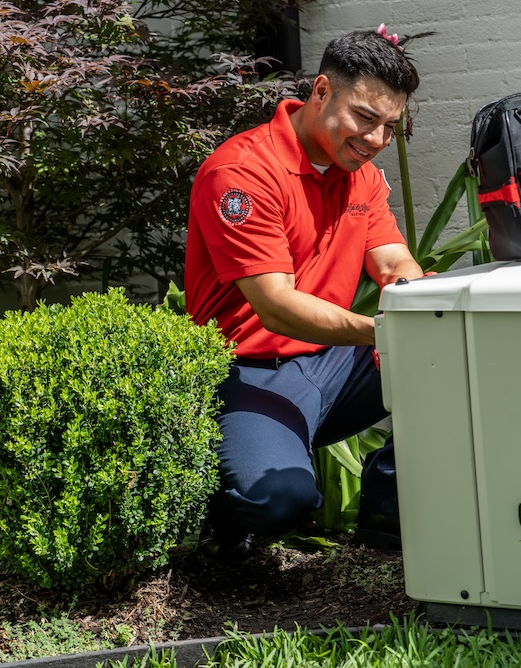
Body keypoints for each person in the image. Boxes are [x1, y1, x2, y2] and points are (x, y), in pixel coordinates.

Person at [183, 26, 424, 562]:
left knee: (451, 353)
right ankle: (219, 515)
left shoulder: (357, 172)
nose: (377, 139)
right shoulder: (243, 173)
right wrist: (386, 328)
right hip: (245, 370)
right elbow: (277, 305)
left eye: (389, 126)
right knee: (280, 501)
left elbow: (392, 262)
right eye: (364, 118)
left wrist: (419, 308)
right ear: (320, 91)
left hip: (331, 364)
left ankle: (389, 509)